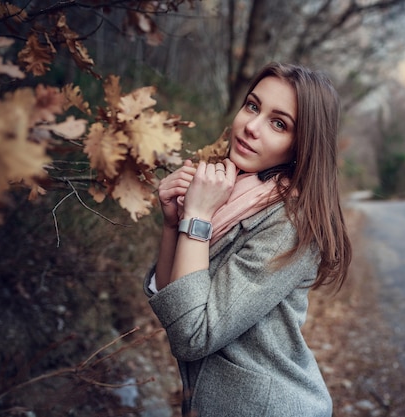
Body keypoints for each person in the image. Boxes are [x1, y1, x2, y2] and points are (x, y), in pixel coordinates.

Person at [144, 62, 352, 417]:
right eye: (253, 106)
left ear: (302, 145)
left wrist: (197, 217)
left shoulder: (293, 223)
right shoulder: (233, 192)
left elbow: (192, 335)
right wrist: (172, 224)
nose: (251, 127)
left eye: (279, 123)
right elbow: (175, 301)